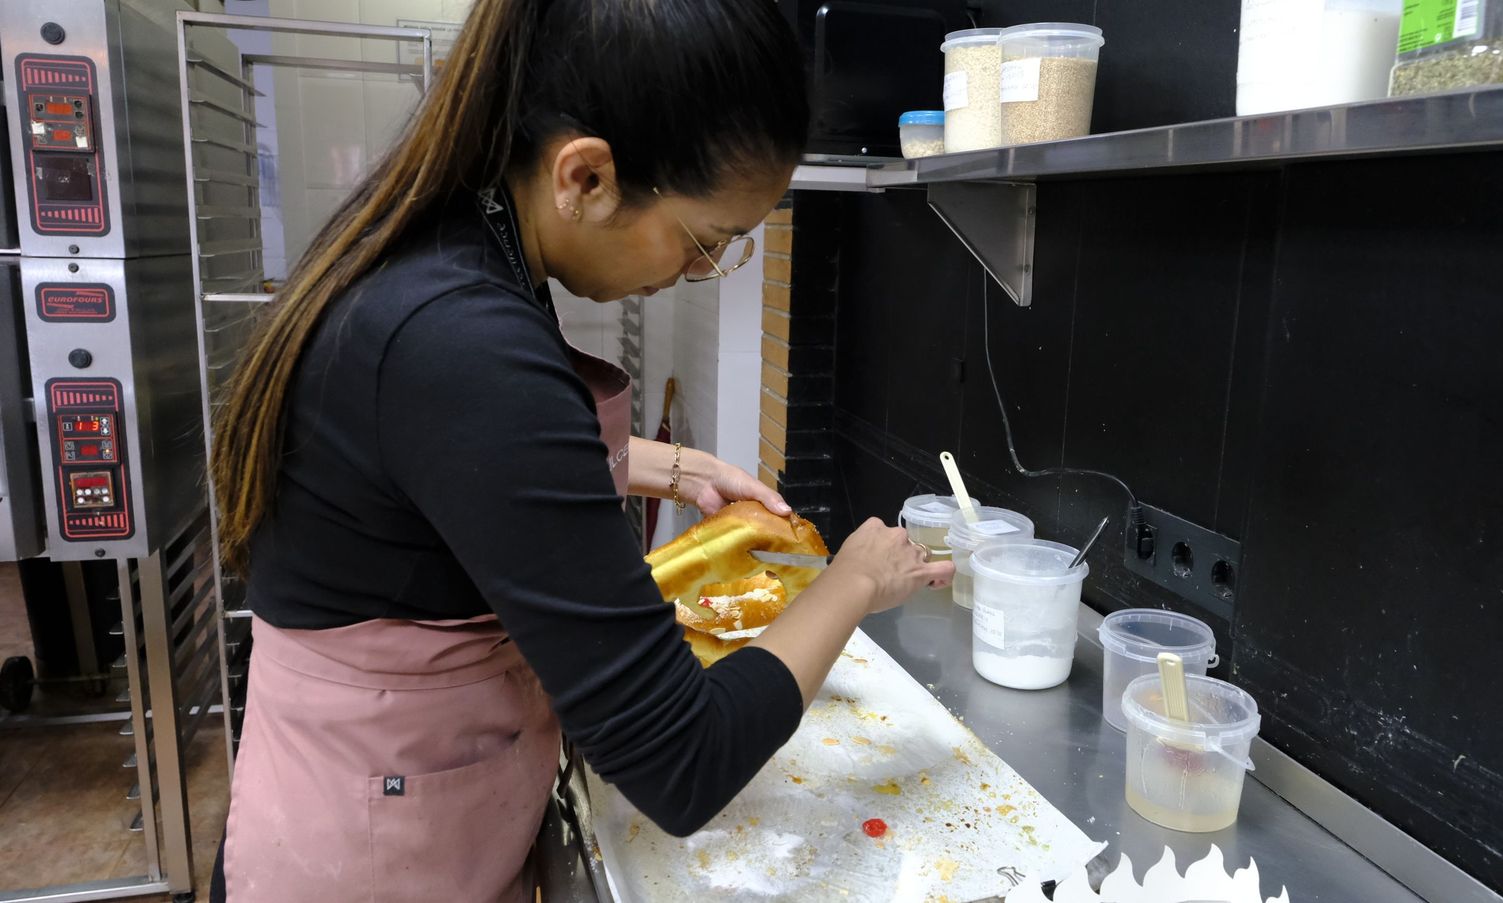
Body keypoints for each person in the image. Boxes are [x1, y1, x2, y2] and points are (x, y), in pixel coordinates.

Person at [207, 0, 954, 899]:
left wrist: (676, 466)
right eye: (707, 241)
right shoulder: (462, 342)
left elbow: (454, 463)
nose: (699, 271)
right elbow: (682, 760)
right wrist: (854, 581)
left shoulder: (454, 246)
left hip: (404, 798)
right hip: (365, 854)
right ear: (587, 176)